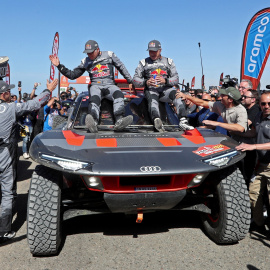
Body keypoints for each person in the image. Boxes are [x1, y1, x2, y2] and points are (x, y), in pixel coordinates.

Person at [0, 79, 58, 243]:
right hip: (4, 154)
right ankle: (3, 230)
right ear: (3, 94)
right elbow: (34, 104)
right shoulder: (11, 108)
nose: (10, 94)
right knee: (7, 192)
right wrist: (48, 91)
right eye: (8, 92)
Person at [49, 40, 134, 133]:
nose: (89, 55)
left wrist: (130, 81)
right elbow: (72, 75)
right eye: (87, 53)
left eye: (91, 52)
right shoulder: (85, 61)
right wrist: (59, 66)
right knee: (94, 99)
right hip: (95, 86)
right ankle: (93, 122)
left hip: (110, 85)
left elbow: (121, 67)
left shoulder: (109, 55)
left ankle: (119, 121)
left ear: (97, 49)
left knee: (119, 94)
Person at [133, 40, 186, 132]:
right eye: (150, 51)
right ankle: (157, 120)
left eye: (154, 51)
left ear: (160, 50)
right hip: (152, 90)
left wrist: (165, 81)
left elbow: (176, 79)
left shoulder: (169, 62)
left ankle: (183, 120)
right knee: (153, 100)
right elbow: (135, 80)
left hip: (165, 90)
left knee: (177, 95)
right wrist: (146, 82)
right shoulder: (143, 62)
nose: (152, 53)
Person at [236, 91, 270, 232]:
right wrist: (237, 133)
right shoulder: (258, 116)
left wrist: (253, 146)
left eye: (269, 103)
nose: (266, 106)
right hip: (260, 165)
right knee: (253, 194)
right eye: (263, 104)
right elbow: (253, 133)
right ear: (259, 104)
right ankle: (259, 223)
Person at [176, 86, 248, 140]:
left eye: (223, 95)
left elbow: (240, 128)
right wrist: (187, 96)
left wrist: (217, 124)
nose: (220, 96)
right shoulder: (220, 105)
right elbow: (202, 103)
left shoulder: (241, 110)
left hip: (239, 142)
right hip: (227, 139)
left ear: (230, 99)